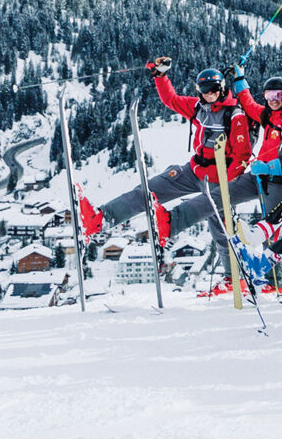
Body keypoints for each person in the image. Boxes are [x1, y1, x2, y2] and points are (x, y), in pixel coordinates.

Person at [84, 60, 252, 286]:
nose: (209, 94)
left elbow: (243, 156)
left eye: (214, 90)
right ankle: (101, 219)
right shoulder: (197, 107)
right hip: (193, 170)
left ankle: (235, 279)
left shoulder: (235, 115)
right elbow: (170, 100)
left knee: (221, 230)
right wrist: (160, 76)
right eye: (204, 90)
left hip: (219, 178)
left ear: (222, 89)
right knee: (148, 191)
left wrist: (227, 186)